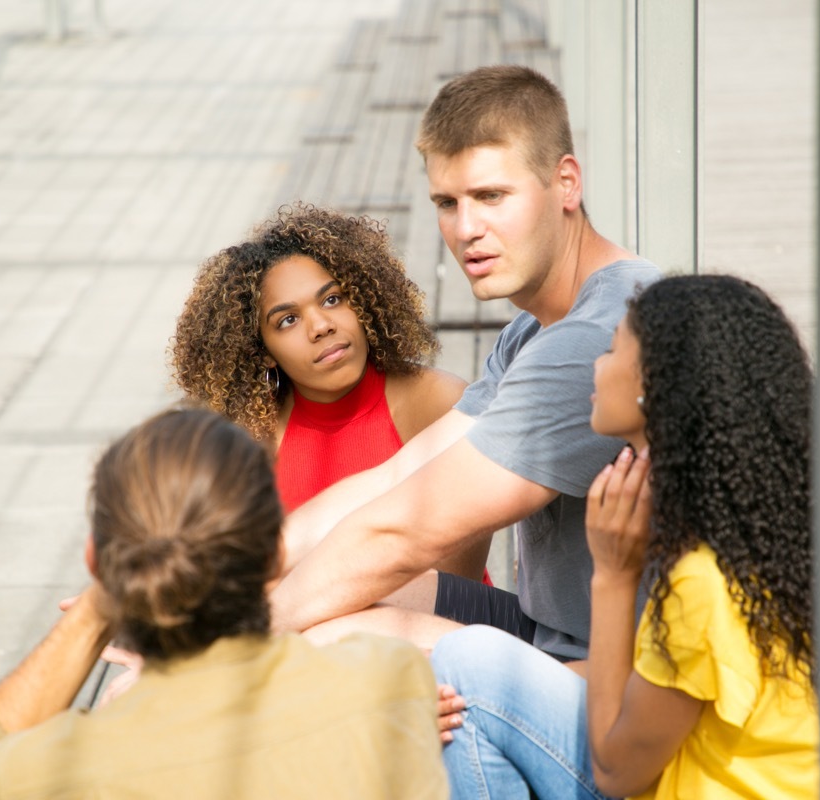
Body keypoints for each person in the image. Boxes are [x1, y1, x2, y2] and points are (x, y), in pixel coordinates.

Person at [271, 65, 662, 660]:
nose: (466, 229)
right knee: (317, 601)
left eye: (490, 196)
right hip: (545, 628)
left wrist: (220, 645)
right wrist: (207, 583)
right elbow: (397, 478)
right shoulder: (534, 329)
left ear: (566, 184)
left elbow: (408, 529)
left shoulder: (598, 338)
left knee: (327, 642)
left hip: (609, 678)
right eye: (447, 203)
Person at [0, 407, 449, 799]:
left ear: (98, 561)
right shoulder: (389, 681)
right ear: (274, 555)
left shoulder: (43, 774)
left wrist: (100, 606)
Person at [430, 275, 820, 799]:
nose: (597, 362)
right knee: (462, 680)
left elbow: (617, 772)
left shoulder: (701, 582)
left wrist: (613, 575)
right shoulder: (753, 531)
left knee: (465, 668)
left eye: (614, 348)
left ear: (654, 385)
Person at [170, 203, 477, 578]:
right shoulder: (253, 439)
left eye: (332, 299)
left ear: (362, 302)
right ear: (263, 353)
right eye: (287, 320)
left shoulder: (439, 403)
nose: (321, 326)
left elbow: (457, 580)